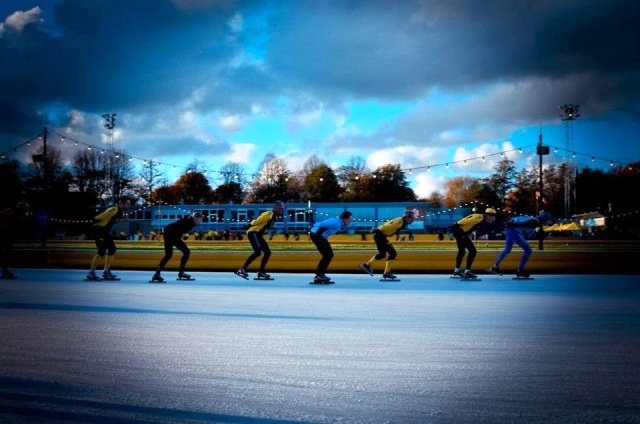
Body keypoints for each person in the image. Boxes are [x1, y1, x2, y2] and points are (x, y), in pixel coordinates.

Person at [235, 200, 285, 280]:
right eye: (279, 208)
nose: (281, 210)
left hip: (258, 234)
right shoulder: (268, 214)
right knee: (257, 252)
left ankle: (261, 272)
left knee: (267, 252)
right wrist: (249, 225)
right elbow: (258, 220)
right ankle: (242, 270)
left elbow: (265, 225)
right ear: (275, 208)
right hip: (254, 233)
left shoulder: (275, 216)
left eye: (282, 209)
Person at [360, 210, 416, 279]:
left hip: (380, 236)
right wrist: (377, 229)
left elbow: (389, 225)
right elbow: (387, 226)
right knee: (393, 253)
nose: (413, 220)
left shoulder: (401, 221)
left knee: (382, 254)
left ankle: (367, 265)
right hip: (380, 236)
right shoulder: (399, 222)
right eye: (412, 218)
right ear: (407, 217)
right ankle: (386, 273)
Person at [151, 212, 203, 283]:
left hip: (174, 236)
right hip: (169, 235)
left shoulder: (191, 222)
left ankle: (181, 273)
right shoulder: (187, 221)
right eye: (199, 219)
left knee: (186, 252)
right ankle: (157, 274)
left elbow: (180, 229)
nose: (200, 221)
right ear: (195, 218)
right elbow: (176, 226)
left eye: (201, 219)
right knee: (169, 255)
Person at [86, 197, 131, 281]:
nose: (128, 205)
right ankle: (91, 272)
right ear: (120, 203)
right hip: (99, 230)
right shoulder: (113, 210)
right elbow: (97, 218)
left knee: (112, 249)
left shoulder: (122, 213)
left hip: (105, 231)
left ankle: (106, 271)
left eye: (129, 204)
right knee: (101, 251)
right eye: (127, 203)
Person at [449, 207, 497, 279]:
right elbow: (465, 221)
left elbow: (469, 222)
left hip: (460, 232)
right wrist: (454, 226)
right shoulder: (479, 218)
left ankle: (457, 270)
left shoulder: (481, 218)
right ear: (488, 216)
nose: (494, 219)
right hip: (460, 232)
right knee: (473, 251)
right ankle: (467, 271)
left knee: (462, 251)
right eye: (493, 217)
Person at [489, 214, 543, 278]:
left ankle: (494, 267)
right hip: (514, 231)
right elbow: (531, 236)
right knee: (528, 250)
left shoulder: (528, 217)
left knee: (507, 250)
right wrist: (536, 231)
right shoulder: (535, 222)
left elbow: (517, 223)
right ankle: (520, 270)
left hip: (508, 229)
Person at [309, 211, 353, 283]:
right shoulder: (336, 222)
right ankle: (319, 275)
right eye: (350, 219)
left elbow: (327, 232)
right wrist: (313, 231)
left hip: (319, 236)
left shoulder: (340, 223)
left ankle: (319, 275)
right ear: (345, 218)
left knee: (328, 255)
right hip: (317, 236)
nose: (351, 221)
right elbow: (321, 224)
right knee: (328, 255)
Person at [0, 201, 30, 279]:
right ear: (22, 207)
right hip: (3, 235)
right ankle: (5, 271)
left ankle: (5, 270)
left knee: (6, 254)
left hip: (7, 236)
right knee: (5, 253)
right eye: (25, 208)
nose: (26, 210)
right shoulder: (11, 212)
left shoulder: (18, 215)